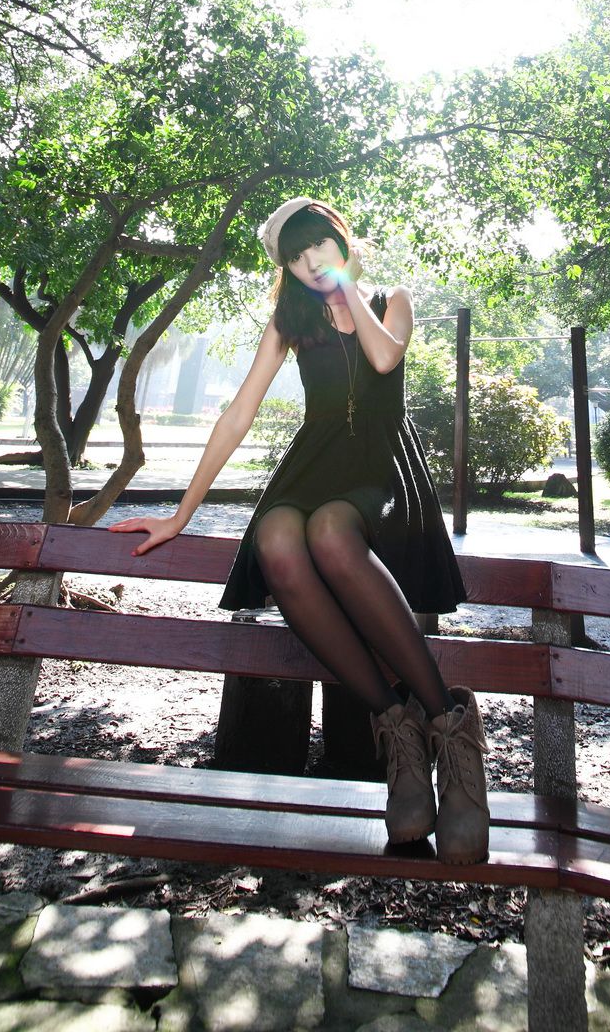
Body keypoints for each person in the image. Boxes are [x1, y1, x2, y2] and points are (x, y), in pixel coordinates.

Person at [109, 196, 490, 864]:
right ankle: (398, 740)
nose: (310, 262)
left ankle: (452, 733)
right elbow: (238, 414)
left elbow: (382, 360)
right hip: (313, 465)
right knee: (280, 539)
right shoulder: (288, 320)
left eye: (320, 247)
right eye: (296, 255)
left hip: (379, 469)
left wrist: (347, 292)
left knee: (331, 537)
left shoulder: (391, 298)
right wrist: (181, 514)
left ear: (341, 241)